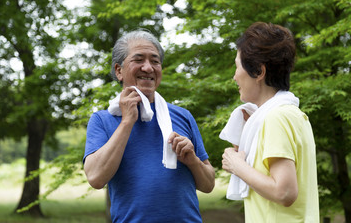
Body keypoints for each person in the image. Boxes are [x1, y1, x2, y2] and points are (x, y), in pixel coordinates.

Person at [83, 29, 215, 223]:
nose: (148, 68)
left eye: (155, 61)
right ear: (119, 70)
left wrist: (192, 160)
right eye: (139, 60)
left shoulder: (182, 116)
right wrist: (127, 121)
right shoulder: (103, 120)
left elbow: (208, 184)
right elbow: (95, 178)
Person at [220, 22, 319, 222]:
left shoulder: (276, 118)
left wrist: (237, 165)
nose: (234, 76)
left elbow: (284, 192)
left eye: (237, 66)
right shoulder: (293, 114)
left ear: (258, 71)